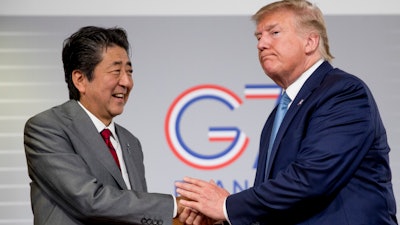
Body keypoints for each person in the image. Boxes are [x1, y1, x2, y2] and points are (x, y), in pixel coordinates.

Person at [175, 0, 398, 224]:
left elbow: (312, 178)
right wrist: (224, 217)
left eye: (274, 32)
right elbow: (280, 202)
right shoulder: (281, 112)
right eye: (258, 37)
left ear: (310, 41)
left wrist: (226, 206)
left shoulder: (343, 93)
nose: (261, 44)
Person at [23, 26, 196, 225]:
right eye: (116, 71)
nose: (126, 82)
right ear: (80, 79)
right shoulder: (46, 128)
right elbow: (89, 200)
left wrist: (187, 219)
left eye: (129, 71)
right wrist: (174, 206)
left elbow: (135, 214)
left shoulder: (131, 142)